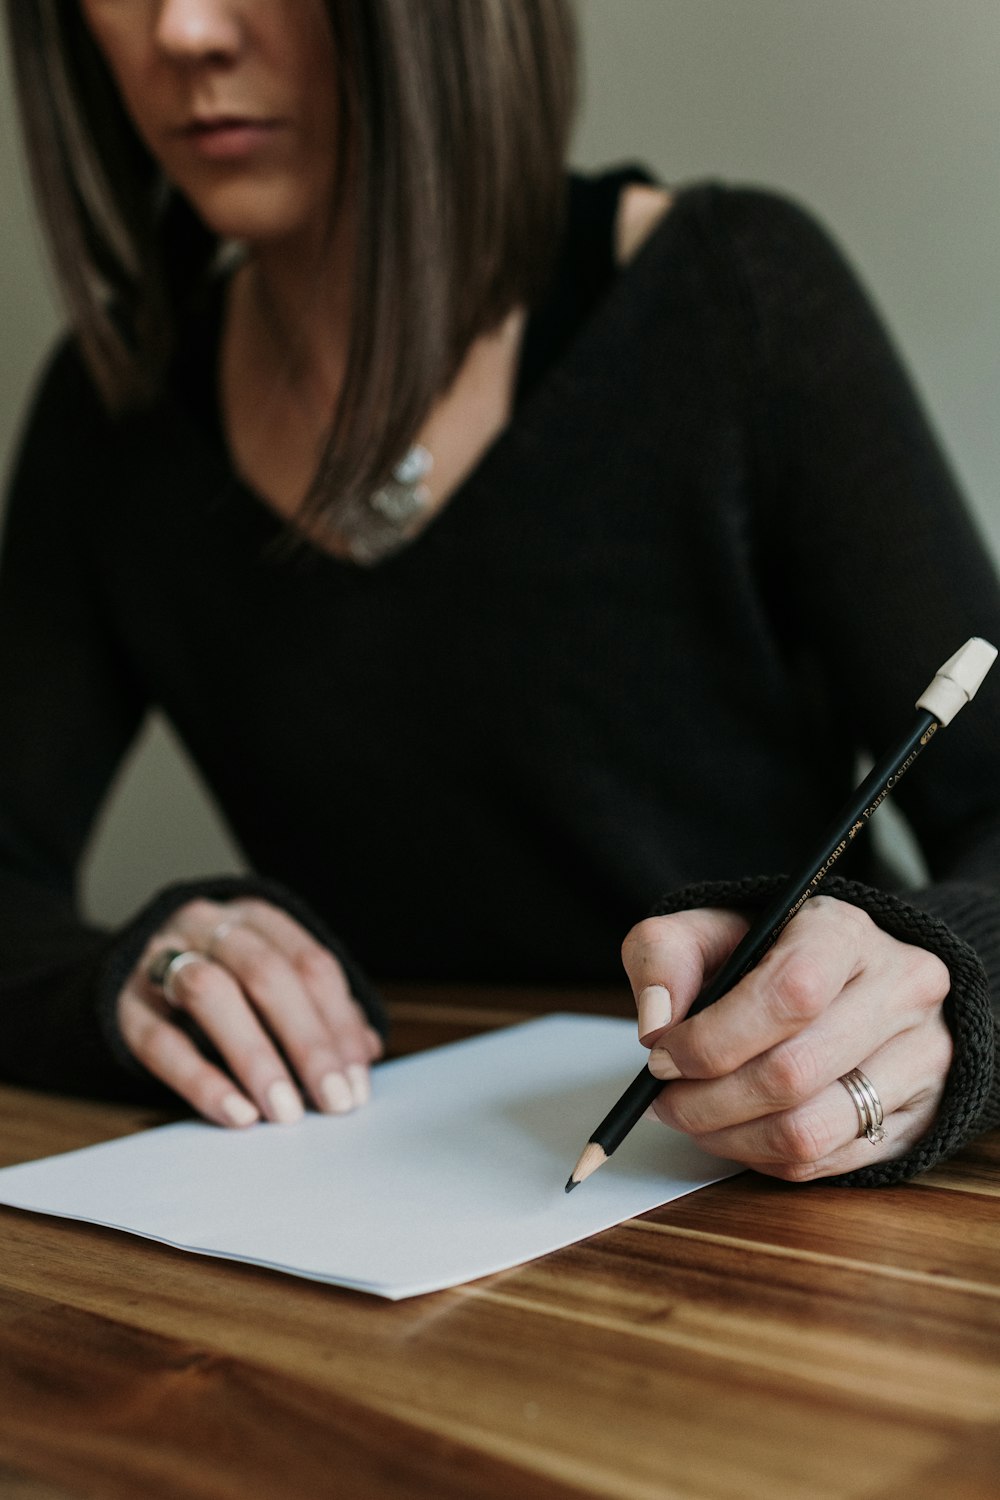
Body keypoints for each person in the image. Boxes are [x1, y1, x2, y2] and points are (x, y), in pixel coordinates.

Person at [1, 0, 998, 1187]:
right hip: (359, 1206)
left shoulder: (736, 298)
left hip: (778, 1215)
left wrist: (952, 982)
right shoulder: (115, 413)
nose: (185, 31)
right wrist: (134, 979)